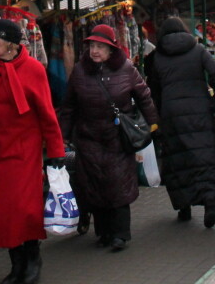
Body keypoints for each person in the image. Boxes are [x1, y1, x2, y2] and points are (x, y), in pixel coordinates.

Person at [0, 19, 65, 284]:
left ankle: (32, 259)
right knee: (2, 211)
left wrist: (56, 151)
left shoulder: (34, 70)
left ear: (11, 43)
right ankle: (16, 264)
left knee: (23, 209)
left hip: (22, 152)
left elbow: (47, 114)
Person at [58, 24, 158, 252]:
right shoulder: (79, 71)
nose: (95, 51)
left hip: (117, 137)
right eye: (92, 46)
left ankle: (120, 235)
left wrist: (153, 125)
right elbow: (69, 106)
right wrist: (63, 135)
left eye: (100, 47)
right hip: (88, 137)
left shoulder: (126, 69)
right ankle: (102, 232)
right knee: (93, 186)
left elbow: (144, 97)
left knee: (118, 184)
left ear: (111, 49)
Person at [146, 17, 215, 227]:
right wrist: (213, 96)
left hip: (171, 113)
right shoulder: (197, 50)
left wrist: (160, 111)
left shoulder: (156, 57)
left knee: (178, 159)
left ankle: (184, 207)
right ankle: (209, 203)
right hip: (200, 109)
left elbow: (153, 88)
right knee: (204, 155)